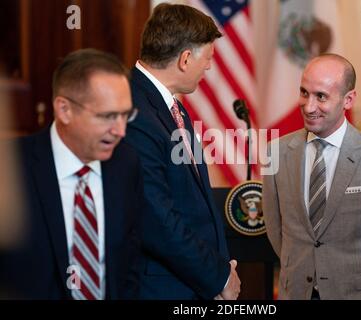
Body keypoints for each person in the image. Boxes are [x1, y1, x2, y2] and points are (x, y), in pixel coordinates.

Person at [262, 54, 361, 300]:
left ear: (348, 100)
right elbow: (275, 228)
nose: (309, 106)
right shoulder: (276, 152)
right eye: (304, 93)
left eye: (321, 96)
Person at [0, 48, 142, 299]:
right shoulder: (10, 167)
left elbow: (129, 259)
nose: (120, 130)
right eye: (108, 116)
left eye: (125, 115)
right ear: (64, 109)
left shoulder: (126, 163)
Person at [124, 3, 240, 300]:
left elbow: (193, 201)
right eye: (209, 58)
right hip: (160, 288)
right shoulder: (135, 112)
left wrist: (220, 268)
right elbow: (156, 218)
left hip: (190, 283)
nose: (210, 67)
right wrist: (218, 277)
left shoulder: (170, 107)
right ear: (186, 59)